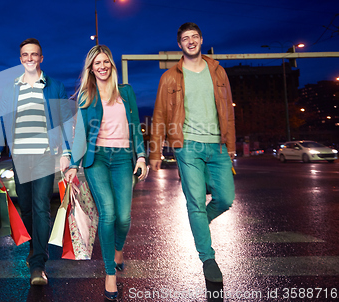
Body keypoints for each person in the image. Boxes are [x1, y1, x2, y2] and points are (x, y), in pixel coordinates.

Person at [149, 22, 235, 283]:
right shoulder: (170, 77)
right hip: (187, 145)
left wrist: (230, 145)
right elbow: (160, 114)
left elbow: (228, 112)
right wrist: (155, 153)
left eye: (194, 37)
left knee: (225, 198)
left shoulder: (218, 71)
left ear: (201, 40)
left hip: (217, 144)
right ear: (179, 44)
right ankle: (208, 259)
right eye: (185, 38)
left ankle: (199, 226)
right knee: (196, 202)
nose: (190, 41)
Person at [65, 45, 147, 300]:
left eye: (105, 62)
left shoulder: (126, 92)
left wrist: (142, 156)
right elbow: (80, 137)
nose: (102, 66)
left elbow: (135, 128)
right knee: (108, 213)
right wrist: (72, 165)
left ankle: (118, 249)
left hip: (123, 159)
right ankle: (110, 272)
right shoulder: (86, 96)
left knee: (124, 217)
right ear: (91, 68)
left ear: (111, 65)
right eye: (96, 63)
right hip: (96, 160)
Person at [0, 38, 73, 285]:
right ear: (20, 59)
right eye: (25, 55)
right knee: (26, 206)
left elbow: (66, 121)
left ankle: (38, 263)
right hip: (20, 157)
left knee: (40, 207)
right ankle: (35, 248)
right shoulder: (11, 89)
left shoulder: (55, 87)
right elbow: (1, 122)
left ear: (41, 58)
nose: (29, 58)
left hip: (45, 156)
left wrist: (66, 153)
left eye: (34, 54)